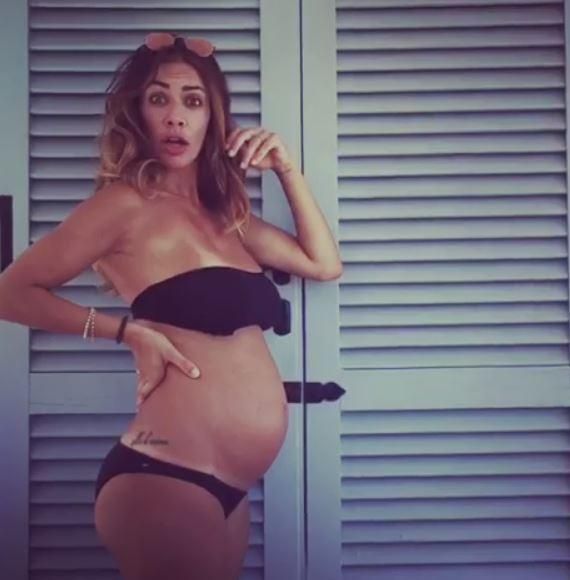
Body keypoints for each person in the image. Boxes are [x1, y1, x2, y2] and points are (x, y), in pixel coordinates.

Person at [0, 32, 342, 580]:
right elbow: (8, 292)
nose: (176, 117)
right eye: (158, 98)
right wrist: (124, 332)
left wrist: (287, 169)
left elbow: (323, 264)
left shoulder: (226, 215)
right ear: (138, 113)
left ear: (213, 118)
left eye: (193, 100)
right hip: (163, 475)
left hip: (227, 488)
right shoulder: (122, 206)